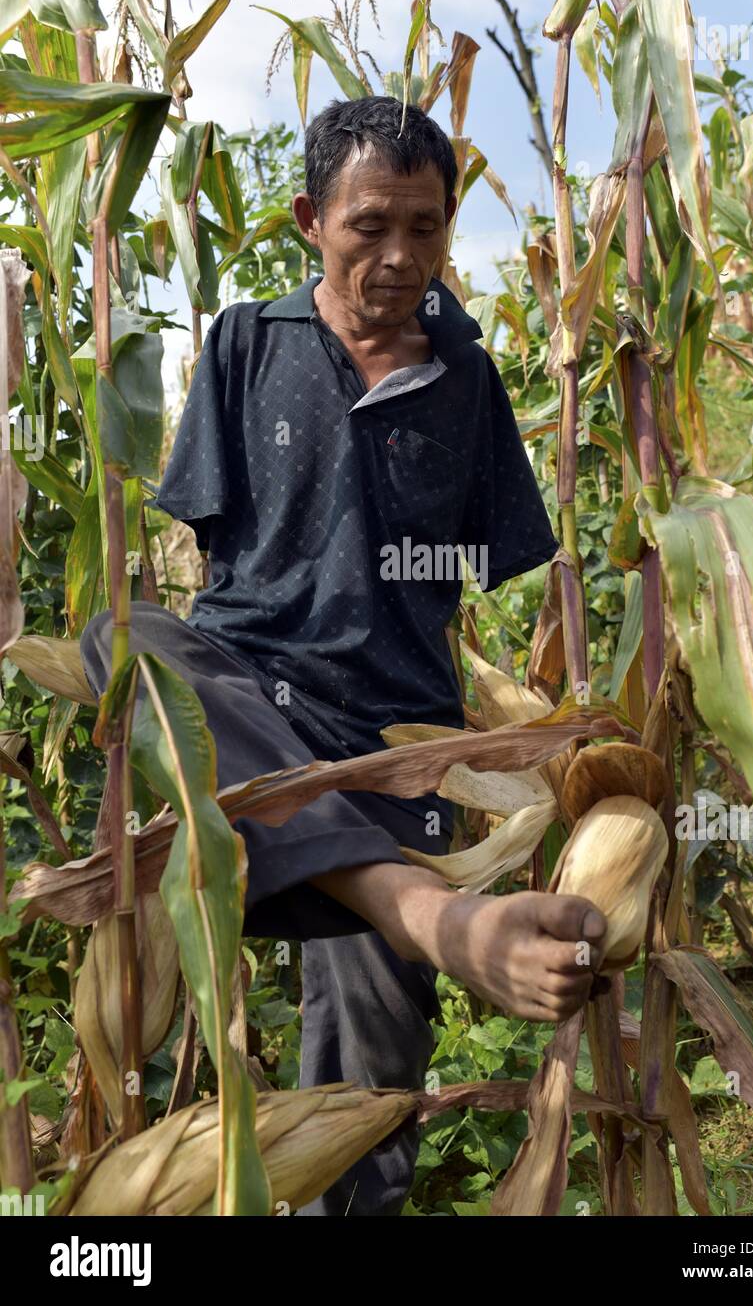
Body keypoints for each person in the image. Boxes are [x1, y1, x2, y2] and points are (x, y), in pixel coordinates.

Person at [80, 96, 608, 1216]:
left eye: (425, 228)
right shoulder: (243, 344)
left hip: (393, 744)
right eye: (370, 227)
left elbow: (494, 571)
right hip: (252, 719)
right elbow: (213, 565)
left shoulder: (470, 383)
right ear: (309, 218)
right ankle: (429, 914)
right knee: (125, 638)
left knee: (367, 1094)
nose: (400, 257)